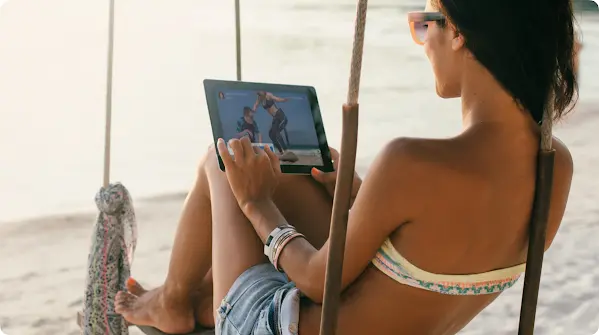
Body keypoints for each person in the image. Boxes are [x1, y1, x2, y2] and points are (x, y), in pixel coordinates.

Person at [114, 0, 578, 334]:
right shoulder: (557, 167)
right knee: (300, 175)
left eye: (424, 22)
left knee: (224, 161)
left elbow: (317, 277)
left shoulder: (411, 161)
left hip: (275, 328)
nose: (423, 42)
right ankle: (192, 299)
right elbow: (426, 259)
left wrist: (255, 203)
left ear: (457, 31)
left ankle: (175, 303)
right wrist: (358, 195)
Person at [253, 91, 299, 163]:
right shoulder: (259, 99)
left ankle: (286, 151)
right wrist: (253, 110)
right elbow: (256, 105)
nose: (260, 94)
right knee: (271, 134)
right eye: (259, 94)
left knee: (276, 132)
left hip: (280, 116)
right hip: (275, 118)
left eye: (261, 93)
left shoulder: (268, 95)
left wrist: (284, 100)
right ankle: (281, 152)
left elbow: (277, 99)